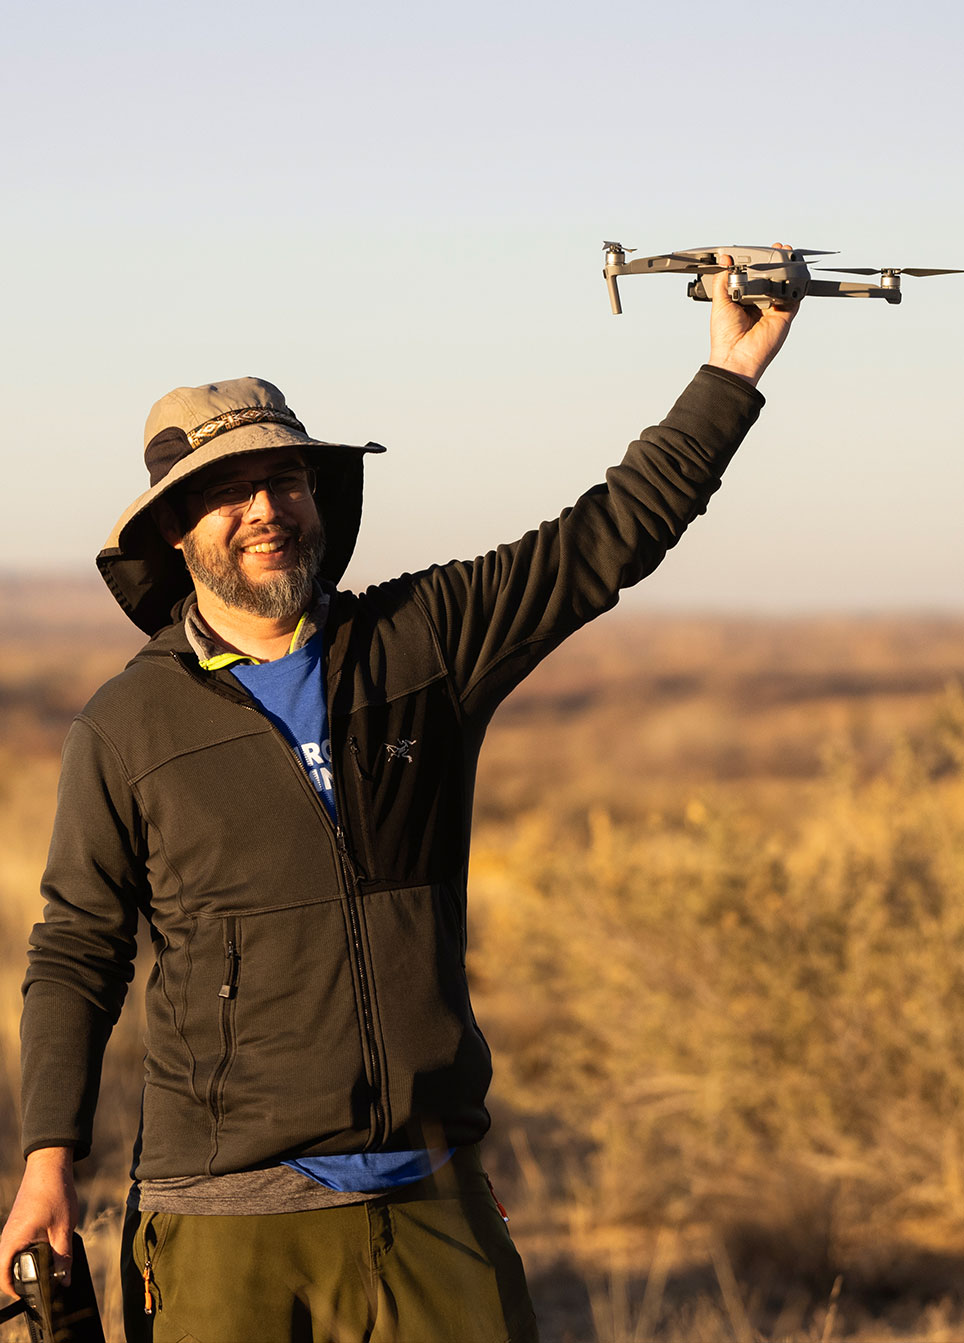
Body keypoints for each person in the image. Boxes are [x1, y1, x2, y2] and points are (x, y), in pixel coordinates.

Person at [0, 264, 797, 1342]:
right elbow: (76, 948)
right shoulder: (127, 727)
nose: (264, 508)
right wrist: (48, 1161)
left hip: (430, 1194)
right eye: (228, 491)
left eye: (285, 478)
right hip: (224, 1216)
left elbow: (608, 537)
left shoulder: (421, 644)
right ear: (177, 532)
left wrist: (729, 369)